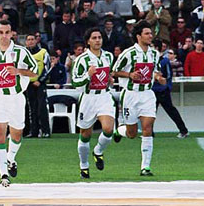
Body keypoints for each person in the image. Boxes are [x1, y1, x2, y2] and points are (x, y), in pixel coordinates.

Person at [0, 20, 38, 187]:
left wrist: (18, 71)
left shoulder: (21, 52)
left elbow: (35, 71)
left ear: (12, 34)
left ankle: (11, 159)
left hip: (17, 97)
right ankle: (3, 174)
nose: (4, 36)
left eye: (7, 32)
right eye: (1, 32)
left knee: (17, 134)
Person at [111, 20, 167, 176]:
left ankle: (145, 167)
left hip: (147, 94)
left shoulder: (154, 54)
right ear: (138, 36)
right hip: (130, 94)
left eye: (151, 33)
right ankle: (119, 131)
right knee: (132, 133)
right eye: (147, 33)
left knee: (148, 127)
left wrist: (158, 77)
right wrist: (129, 74)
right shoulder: (128, 53)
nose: (150, 36)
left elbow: (156, 71)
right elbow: (114, 71)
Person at [70, 28, 117, 178]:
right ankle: (84, 165)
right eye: (94, 38)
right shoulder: (82, 59)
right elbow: (75, 81)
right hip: (88, 98)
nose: (98, 40)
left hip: (104, 96)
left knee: (108, 129)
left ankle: (98, 151)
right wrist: (88, 75)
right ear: (88, 41)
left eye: (99, 37)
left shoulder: (108, 56)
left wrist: (110, 80)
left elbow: (108, 75)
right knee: (85, 134)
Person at [154, 45, 190, 138]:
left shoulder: (164, 61)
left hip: (162, 90)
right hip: (152, 90)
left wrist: (166, 85)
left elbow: (169, 75)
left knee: (171, 110)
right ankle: (149, 133)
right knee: (150, 112)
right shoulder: (150, 60)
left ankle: (183, 130)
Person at [24, 34, 50, 138]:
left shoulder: (43, 52)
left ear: (36, 41)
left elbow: (47, 68)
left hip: (40, 84)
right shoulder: (24, 54)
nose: (30, 41)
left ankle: (45, 131)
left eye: (32, 39)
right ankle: (33, 131)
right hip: (28, 84)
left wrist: (40, 80)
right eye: (28, 40)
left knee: (42, 107)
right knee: (31, 109)